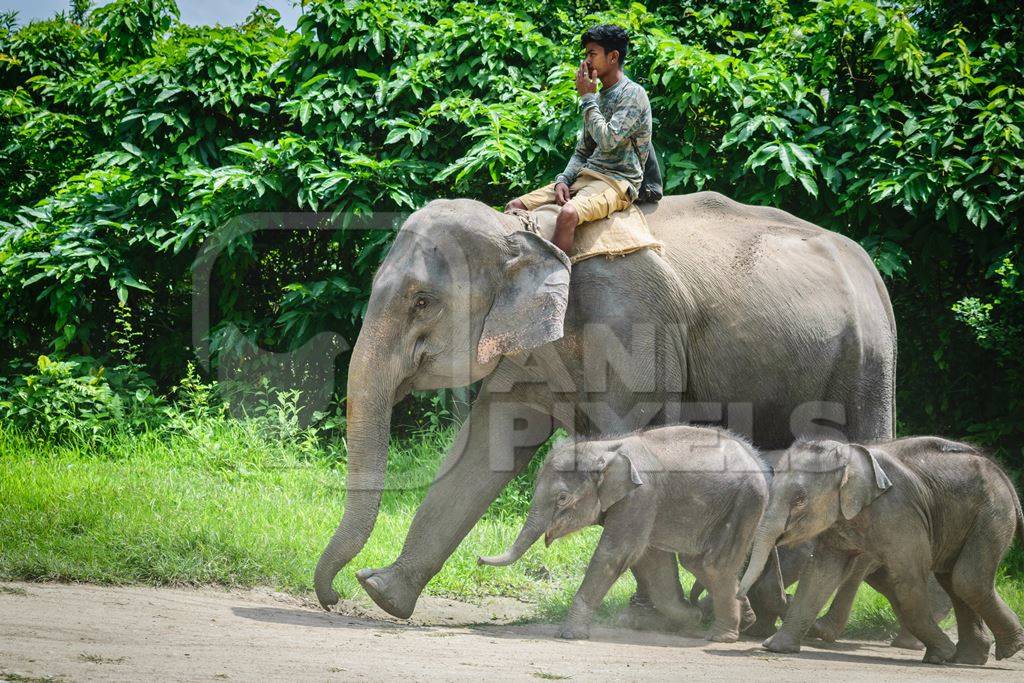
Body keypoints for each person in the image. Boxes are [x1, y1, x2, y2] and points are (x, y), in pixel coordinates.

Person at [505, 24, 653, 254]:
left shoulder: (633, 94)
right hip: (587, 175)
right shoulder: (597, 96)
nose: (586, 61)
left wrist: (587, 98)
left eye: (592, 54)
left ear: (613, 56)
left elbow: (607, 141)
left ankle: (553, 281)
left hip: (617, 182)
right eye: (586, 54)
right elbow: (583, 151)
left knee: (568, 214)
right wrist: (563, 180)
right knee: (514, 206)